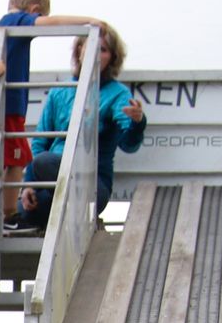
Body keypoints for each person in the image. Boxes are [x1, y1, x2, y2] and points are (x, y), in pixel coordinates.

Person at [20, 24, 147, 232]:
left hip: (92, 183)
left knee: (49, 170)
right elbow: (40, 143)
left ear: (112, 58)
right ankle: (65, 212)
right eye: (91, 48)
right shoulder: (60, 91)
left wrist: (137, 122)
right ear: (79, 51)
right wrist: (29, 184)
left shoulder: (117, 93)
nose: (96, 55)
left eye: (103, 50)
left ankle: (69, 214)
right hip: (55, 177)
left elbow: (129, 145)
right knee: (30, 201)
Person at [0, 0, 105, 197]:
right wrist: (88, 20)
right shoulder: (16, 20)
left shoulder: (1, 27)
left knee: (12, 157)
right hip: (8, 108)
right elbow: (52, 22)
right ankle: (9, 210)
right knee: (17, 157)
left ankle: (7, 208)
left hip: (2, 107)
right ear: (34, 10)